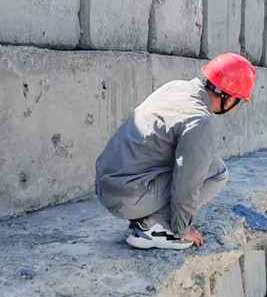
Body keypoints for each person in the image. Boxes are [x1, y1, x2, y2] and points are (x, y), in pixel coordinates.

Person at [95, 53, 256, 250]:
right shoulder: (198, 120)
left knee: (202, 161)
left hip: (106, 186)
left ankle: (149, 217)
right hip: (126, 198)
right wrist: (182, 228)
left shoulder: (176, 87)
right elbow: (188, 182)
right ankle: (154, 226)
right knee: (217, 171)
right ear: (229, 99)